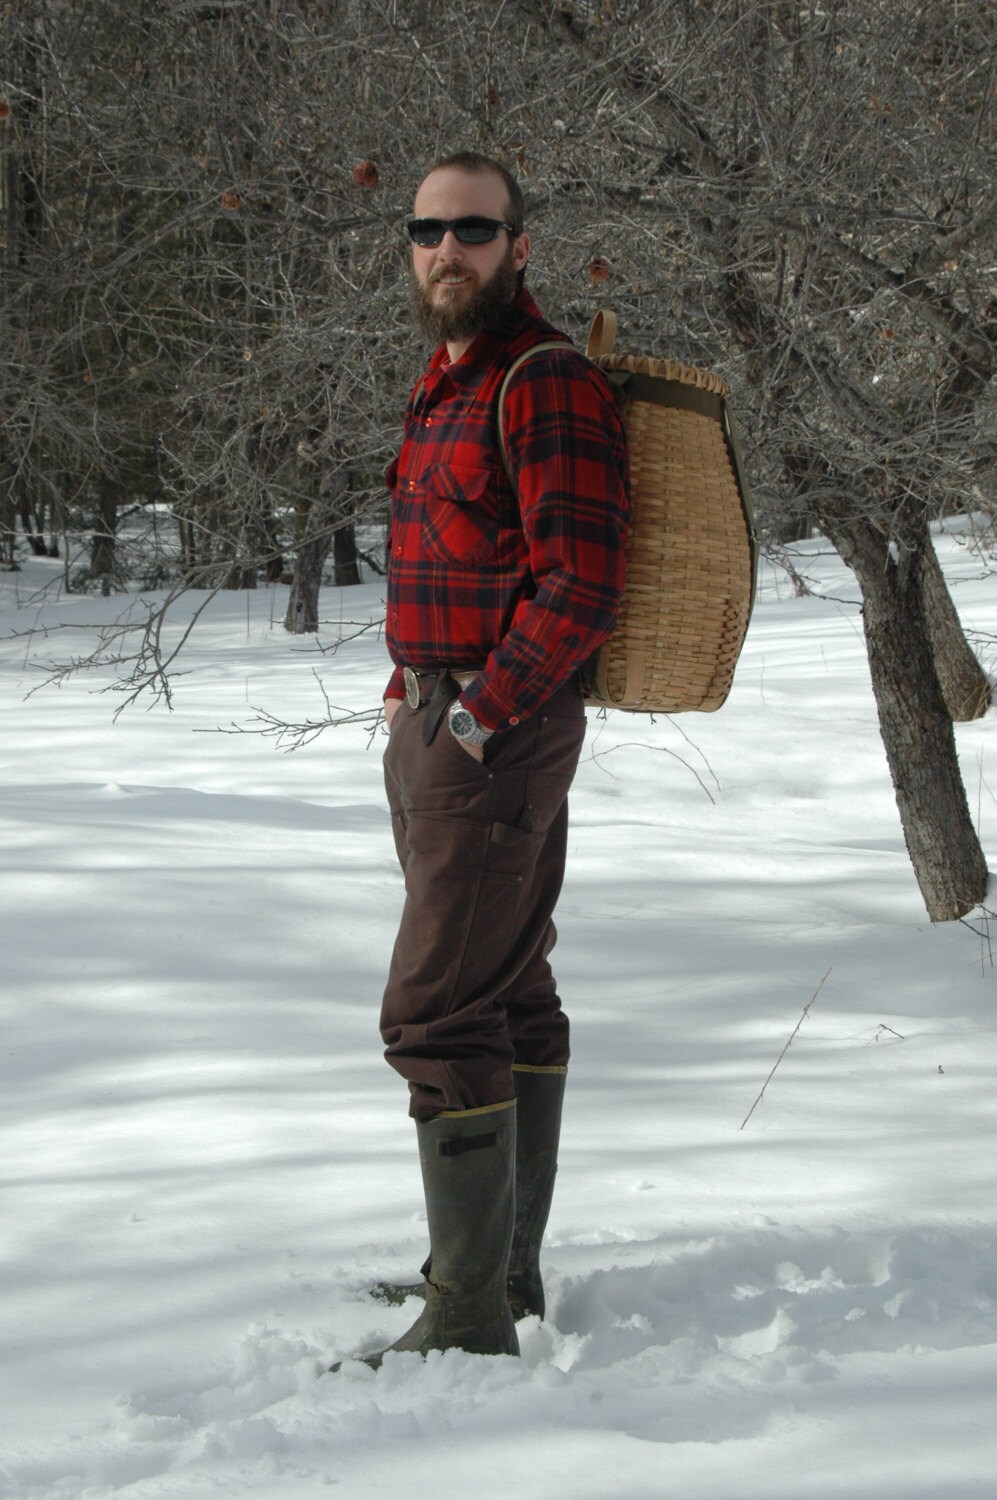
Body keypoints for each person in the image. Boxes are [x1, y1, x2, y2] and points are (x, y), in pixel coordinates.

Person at [362, 151, 629, 1366]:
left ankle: (467, 1316)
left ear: (519, 244)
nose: (445, 248)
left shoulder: (541, 377)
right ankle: (497, 1271)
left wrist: (478, 717)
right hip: (437, 722)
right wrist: (413, 692)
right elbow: (454, 557)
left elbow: (581, 579)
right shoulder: (445, 381)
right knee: (507, 986)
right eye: (427, 227)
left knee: (435, 1010)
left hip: (493, 735)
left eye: (473, 228)